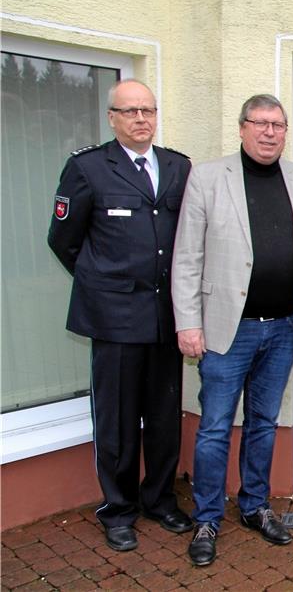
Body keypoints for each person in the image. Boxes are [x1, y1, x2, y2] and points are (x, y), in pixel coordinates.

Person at [171, 94, 293, 566]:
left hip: (280, 329)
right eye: (260, 123)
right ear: (242, 128)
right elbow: (187, 256)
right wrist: (188, 323)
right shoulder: (209, 177)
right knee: (215, 428)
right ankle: (208, 517)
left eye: (277, 124)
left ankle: (254, 505)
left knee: (263, 424)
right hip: (223, 330)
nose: (269, 132)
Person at [47, 79, 193, 552]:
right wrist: (103, 282)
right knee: (117, 420)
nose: (140, 119)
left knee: (165, 415)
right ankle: (118, 508)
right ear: (112, 118)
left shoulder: (177, 166)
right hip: (114, 318)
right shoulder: (88, 168)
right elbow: (64, 241)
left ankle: (159, 499)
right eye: (129, 111)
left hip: (165, 317)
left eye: (147, 110)